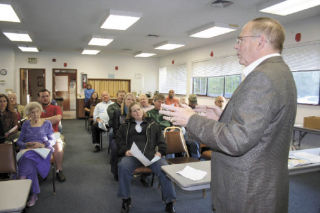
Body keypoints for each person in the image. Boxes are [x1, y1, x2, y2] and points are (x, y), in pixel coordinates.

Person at [160, 17, 297, 213]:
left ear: (260, 41)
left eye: (241, 40)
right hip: (261, 184)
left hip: (247, 190)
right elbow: (260, 127)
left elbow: (236, 141)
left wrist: (190, 119)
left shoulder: (261, 77)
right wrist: (223, 117)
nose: (236, 46)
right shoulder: (280, 71)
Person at [116, 103, 176, 213]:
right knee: (123, 166)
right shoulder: (125, 126)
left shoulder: (153, 124)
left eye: (139, 109)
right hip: (133, 156)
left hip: (151, 155)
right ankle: (126, 199)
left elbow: (162, 141)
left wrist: (160, 153)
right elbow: (118, 140)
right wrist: (125, 150)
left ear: (143, 110)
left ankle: (169, 201)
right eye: (134, 111)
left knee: (165, 169)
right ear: (131, 114)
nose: (137, 112)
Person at [16, 102, 55, 207]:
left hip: (43, 151)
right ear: (28, 114)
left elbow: (52, 141)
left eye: (37, 111)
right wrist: (26, 144)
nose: (35, 114)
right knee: (29, 161)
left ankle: (21, 182)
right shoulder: (25, 124)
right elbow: (19, 142)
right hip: (27, 151)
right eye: (32, 113)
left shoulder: (47, 123)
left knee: (27, 159)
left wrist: (42, 145)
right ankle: (34, 193)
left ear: (40, 112)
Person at [38, 89, 66, 182]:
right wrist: (50, 119)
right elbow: (32, 121)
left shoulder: (55, 108)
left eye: (47, 96)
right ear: (39, 98)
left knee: (59, 146)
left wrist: (41, 120)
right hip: (38, 134)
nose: (45, 98)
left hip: (53, 133)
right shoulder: (36, 109)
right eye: (43, 96)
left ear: (49, 97)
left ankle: (59, 170)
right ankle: (42, 170)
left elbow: (57, 119)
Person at [107, 90, 126, 180]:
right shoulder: (112, 107)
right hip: (114, 127)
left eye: (123, 96)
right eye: (120, 95)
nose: (122, 97)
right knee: (111, 134)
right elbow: (113, 116)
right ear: (117, 96)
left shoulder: (131, 109)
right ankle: (112, 154)